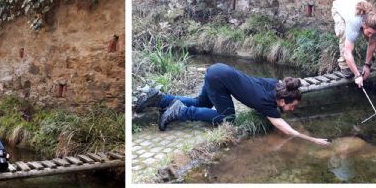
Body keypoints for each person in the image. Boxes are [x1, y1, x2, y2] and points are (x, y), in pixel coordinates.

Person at [134, 64, 331, 145]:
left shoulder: (275, 85)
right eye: (292, 106)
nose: (291, 110)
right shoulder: (267, 104)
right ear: (282, 100)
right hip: (220, 79)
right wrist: (314, 140)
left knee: (202, 102)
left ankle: (161, 99)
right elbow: (286, 129)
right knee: (227, 118)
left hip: (218, 71)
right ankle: (180, 111)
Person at [331, 0, 376, 88]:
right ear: (363, 25)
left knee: (374, 39)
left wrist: (367, 65)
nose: (370, 35)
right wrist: (357, 75)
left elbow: (372, 44)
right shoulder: (354, 22)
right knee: (344, 34)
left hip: (353, 4)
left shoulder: (373, 20)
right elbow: (347, 52)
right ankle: (344, 65)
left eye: (372, 32)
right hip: (339, 7)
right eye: (369, 32)